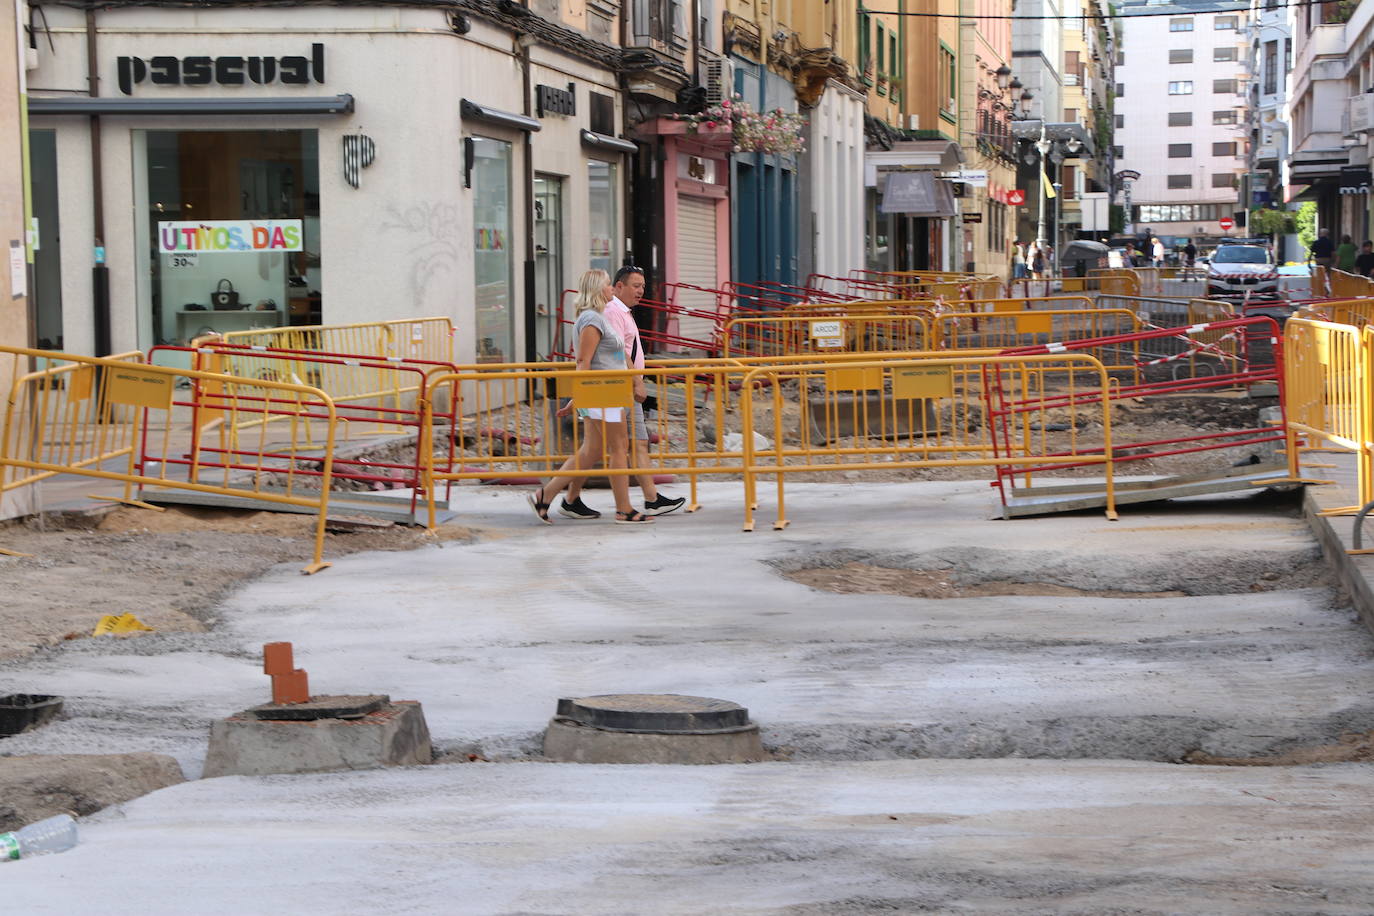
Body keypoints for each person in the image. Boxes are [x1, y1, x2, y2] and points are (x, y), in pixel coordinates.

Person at [526, 269, 653, 525]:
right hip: (603, 392)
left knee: (592, 450)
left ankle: (545, 495)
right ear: (598, 289)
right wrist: (578, 398)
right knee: (619, 449)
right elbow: (583, 362)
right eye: (608, 285)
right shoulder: (592, 320)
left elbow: (601, 358)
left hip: (606, 391)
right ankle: (624, 508)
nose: (611, 289)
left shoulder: (596, 318)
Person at [559, 265, 685, 519]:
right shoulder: (607, 313)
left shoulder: (615, 312)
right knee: (620, 447)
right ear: (616, 287)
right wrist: (634, 381)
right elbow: (605, 355)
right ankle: (630, 505)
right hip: (614, 388)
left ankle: (569, 499)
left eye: (642, 287)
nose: (641, 291)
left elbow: (614, 350)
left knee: (603, 448)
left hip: (617, 387)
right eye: (635, 286)